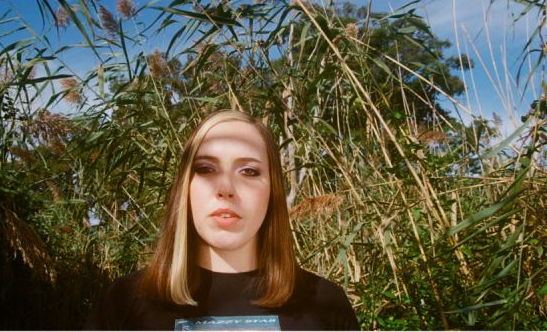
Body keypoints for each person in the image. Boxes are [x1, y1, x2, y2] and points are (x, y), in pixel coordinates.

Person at [84, 110, 360, 330]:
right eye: (205, 168)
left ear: (273, 190)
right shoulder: (124, 302)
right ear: (185, 187)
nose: (226, 188)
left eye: (249, 171)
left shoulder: (325, 302)